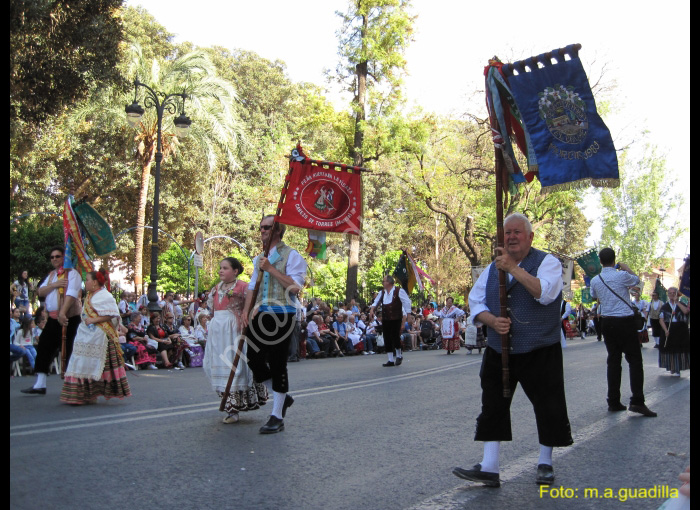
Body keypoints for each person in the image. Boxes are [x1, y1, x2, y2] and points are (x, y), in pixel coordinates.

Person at [453, 213, 572, 488]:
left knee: (548, 405)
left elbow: (545, 293)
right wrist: (492, 321)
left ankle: (545, 462)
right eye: (507, 233)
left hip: (539, 347)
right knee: (493, 404)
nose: (512, 237)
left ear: (530, 237)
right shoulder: (492, 268)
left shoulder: (548, 263)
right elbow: (475, 301)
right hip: (499, 347)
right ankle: (489, 466)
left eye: (518, 232)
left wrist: (513, 268)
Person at [241, 216, 306, 434]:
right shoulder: (259, 258)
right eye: (260, 228)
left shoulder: (292, 255)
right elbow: (252, 286)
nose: (262, 231)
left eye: (266, 227)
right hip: (261, 313)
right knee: (253, 359)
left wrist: (271, 268)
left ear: (278, 230)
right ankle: (282, 396)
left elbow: (296, 287)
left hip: (283, 314)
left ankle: (277, 416)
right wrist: (245, 311)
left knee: (278, 363)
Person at [589, 248, 657, 417]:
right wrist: (625, 267)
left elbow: (593, 295)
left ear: (600, 261)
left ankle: (613, 401)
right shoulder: (621, 275)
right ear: (614, 260)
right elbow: (637, 282)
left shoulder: (596, 279)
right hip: (624, 322)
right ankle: (637, 401)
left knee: (613, 360)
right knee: (634, 360)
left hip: (607, 321)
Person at [204, 257, 268, 424]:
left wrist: (248, 314)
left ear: (235, 271)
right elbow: (211, 308)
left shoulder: (243, 287)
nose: (220, 271)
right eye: (220, 267)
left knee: (234, 366)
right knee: (218, 365)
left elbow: (256, 301)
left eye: (225, 268)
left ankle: (233, 409)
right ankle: (229, 405)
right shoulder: (216, 288)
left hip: (233, 330)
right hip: (218, 330)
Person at [60, 268, 131, 405]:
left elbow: (112, 314)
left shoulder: (105, 295)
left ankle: (88, 394)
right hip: (85, 335)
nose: (84, 283)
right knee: (80, 361)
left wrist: (93, 320)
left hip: (99, 336)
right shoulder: (91, 295)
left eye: (86, 280)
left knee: (94, 364)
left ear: (94, 283)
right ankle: (83, 394)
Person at [22, 247, 83, 395]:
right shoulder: (51, 275)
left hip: (69, 318)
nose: (54, 259)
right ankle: (40, 384)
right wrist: (55, 285)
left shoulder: (72, 274)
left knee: (70, 350)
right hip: (53, 318)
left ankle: (72, 386)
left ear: (64, 257)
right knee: (44, 346)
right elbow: (40, 291)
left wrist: (63, 313)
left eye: (57, 256)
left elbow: (71, 294)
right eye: (52, 257)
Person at [370, 275, 411, 367]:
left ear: (388, 282)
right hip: (386, 318)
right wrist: (372, 310)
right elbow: (376, 302)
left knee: (395, 337)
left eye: (383, 281)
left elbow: (406, 302)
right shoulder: (382, 293)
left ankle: (399, 355)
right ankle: (390, 359)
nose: (382, 283)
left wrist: (408, 316)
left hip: (396, 318)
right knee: (387, 337)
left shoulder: (399, 291)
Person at [658, 287, 690, 376]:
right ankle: (672, 367)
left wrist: (677, 302)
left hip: (680, 330)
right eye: (670, 293)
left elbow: (686, 312)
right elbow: (661, 319)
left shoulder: (682, 304)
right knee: (670, 349)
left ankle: (678, 368)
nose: (672, 295)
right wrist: (665, 330)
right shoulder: (664, 306)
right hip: (669, 328)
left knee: (679, 349)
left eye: (674, 293)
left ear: (677, 294)